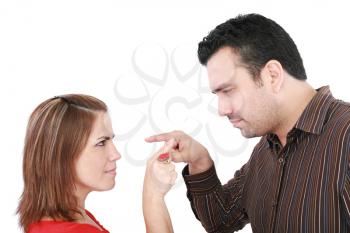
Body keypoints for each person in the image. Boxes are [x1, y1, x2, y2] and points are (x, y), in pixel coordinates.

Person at [145, 13, 350, 232]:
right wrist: (200, 161)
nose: (222, 110)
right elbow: (221, 220)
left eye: (228, 90)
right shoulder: (266, 150)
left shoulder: (345, 135)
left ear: (272, 75)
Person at [17, 94, 177, 233]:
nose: (116, 155)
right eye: (101, 143)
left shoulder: (73, 217)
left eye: (111, 140)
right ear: (61, 155)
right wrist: (153, 195)